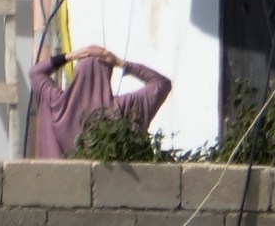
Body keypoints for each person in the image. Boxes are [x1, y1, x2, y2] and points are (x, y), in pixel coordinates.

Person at [29, 45, 172, 159]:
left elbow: (35, 73)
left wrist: (70, 56)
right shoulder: (123, 108)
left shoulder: (57, 104)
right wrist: (121, 63)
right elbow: (162, 84)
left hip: (61, 188)